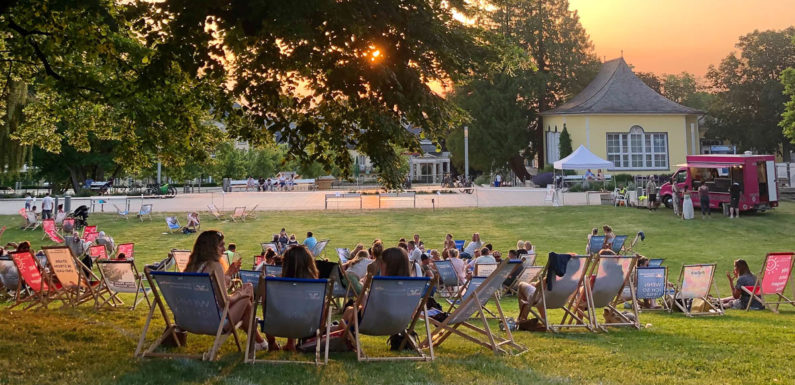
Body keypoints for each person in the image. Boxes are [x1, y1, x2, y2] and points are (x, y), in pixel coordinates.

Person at [184, 231, 267, 351]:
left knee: (245, 295)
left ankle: (259, 342)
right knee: (247, 296)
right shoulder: (214, 266)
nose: (224, 249)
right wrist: (241, 293)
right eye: (221, 245)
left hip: (191, 319)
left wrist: (228, 274)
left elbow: (214, 290)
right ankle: (259, 342)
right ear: (211, 248)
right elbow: (224, 302)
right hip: (214, 322)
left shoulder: (193, 267)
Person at [337, 247, 411, 332]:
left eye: (382, 263)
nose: (380, 266)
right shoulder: (412, 286)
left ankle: (337, 337)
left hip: (373, 322)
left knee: (348, 311)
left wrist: (364, 297)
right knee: (349, 313)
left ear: (389, 267)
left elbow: (370, 311)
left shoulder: (382, 285)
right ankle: (336, 333)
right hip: (399, 324)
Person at [265, 245, 321, 351]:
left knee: (287, 308)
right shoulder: (315, 286)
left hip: (277, 324)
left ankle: (273, 343)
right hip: (309, 327)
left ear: (285, 263)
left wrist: (271, 340)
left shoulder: (274, 284)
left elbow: (266, 308)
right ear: (309, 263)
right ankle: (291, 343)